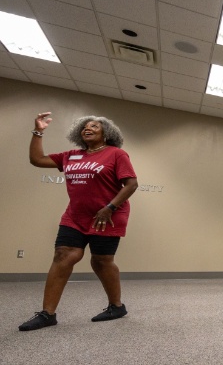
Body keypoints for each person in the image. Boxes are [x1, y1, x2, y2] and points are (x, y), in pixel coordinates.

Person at [19, 112, 138, 331]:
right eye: (84, 126)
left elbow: (131, 184)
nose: (88, 128)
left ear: (106, 133)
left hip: (107, 215)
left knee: (101, 261)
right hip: (75, 215)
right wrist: (39, 131)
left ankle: (116, 306)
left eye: (94, 126)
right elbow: (37, 160)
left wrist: (109, 208)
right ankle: (47, 314)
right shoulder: (71, 155)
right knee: (63, 255)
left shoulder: (116, 154)